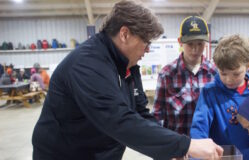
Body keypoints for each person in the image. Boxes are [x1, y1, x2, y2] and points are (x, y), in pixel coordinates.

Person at [32, 1, 223, 160]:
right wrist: (186, 145)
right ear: (124, 34)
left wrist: (172, 148)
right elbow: (119, 120)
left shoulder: (127, 65)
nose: (148, 50)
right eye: (146, 42)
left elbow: (140, 113)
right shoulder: (87, 65)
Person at [190, 34, 249, 159]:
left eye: (236, 74)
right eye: (223, 73)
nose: (229, 80)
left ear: (247, 66)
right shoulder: (209, 93)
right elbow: (199, 130)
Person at [152, 16, 217, 135]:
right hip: (177, 146)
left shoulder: (214, 73)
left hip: (207, 145)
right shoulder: (167, 74)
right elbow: (157, 115)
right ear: (180, 41)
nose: (195, 49)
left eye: (200, 44)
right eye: (190, 44)